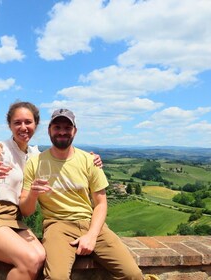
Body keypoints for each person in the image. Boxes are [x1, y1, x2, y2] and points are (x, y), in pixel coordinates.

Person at [0, 102, 103, 280]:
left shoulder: (35, 156)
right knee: (29, 260)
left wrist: (92, 158)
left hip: (14, 218)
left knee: (41, 257)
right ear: (10, 125)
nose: (23, 127)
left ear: (36, 125)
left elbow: (60, 155)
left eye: (28, 122)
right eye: (17, 123)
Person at [19, 108, 144, 280]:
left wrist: (91, 236)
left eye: (67, 128)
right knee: (56, 278)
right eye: (57, 127)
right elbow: (26, 210)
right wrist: (33, 194)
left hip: (90, 223)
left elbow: (101, 203)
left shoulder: (89, 161)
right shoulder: (35, 164)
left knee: (133, 275)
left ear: (74, 131)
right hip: (57, 225)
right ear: (49, 130)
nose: (62, 132)